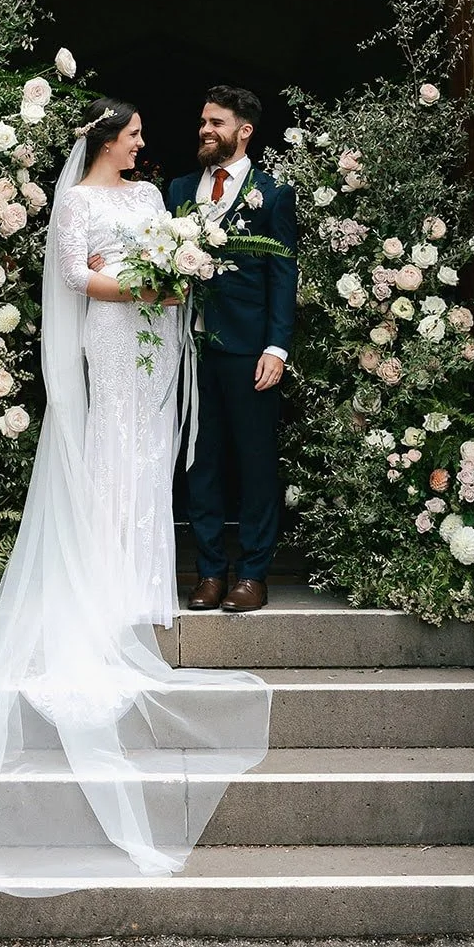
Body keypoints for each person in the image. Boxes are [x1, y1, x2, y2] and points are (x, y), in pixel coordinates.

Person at [0, 97, 270, 895]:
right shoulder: (76, 201)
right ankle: (104, 580)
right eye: (134, 133)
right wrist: (149, 285)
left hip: (161, 338)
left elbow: (177, 251)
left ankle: (145, 581)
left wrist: (177, 280)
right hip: (113, 335)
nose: (145, 142)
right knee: (112, 450)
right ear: (107, 140)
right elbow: (77, 274)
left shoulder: (148, 197)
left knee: (151, 458)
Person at [168, 85, 297, 614]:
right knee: (202, 463)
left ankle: (253, 573)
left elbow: (283, 275)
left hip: (248, 350)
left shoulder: (272, 194)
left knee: (255, 462)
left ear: (244, 131)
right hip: (189, 348)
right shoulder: (177, 189)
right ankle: (210, 572)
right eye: (203, 121)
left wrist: (277, 346)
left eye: (216, 122)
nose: (205, 130)